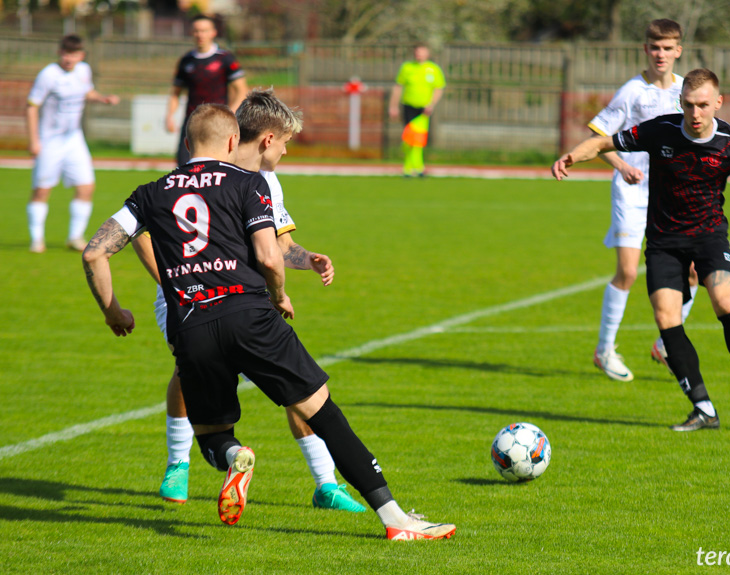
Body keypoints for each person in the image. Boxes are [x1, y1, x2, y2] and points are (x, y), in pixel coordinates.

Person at [82, 103, 456, 539]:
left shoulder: (151, 192)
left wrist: (114, 312)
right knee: (324, 413)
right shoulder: (249, 183)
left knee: (212, 436)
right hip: (248, 314)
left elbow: (94, 252)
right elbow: (267, 255)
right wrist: (278, 295)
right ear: (229, 141)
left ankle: (237, 454)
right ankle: (396, 520)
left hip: (191, 324)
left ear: (186, 144)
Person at [552, 68, 730, 431]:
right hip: (665, 242)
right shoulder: (660, 130)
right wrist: (573, 156)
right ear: (680, 102)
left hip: (709, 237)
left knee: (722, 299)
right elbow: (605, 142)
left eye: (703, 105)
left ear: (718, 103)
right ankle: (704, 409)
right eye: (688, 105)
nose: (695, 113)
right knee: (667, 319)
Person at [132, 88, 365, 513]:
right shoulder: (195, 172)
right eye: (288, 142)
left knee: (299, 386)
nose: (288, 153)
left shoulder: (265, 182)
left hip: (247, 300)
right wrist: (171, 283)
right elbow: (141, 234)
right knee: (191, 374)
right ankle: (178, 464)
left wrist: (306, 260)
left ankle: (326, 483)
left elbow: (277, 245)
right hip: (187, 299)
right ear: (268, 138)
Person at [585, 19, 699, 382]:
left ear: (678, 51)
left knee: (694, 273)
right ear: (645, 50)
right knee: (629, 272)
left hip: (673, 197)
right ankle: (605, 350)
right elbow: (598, 136)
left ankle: (665, 346)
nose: (661, 54)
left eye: (668, 48)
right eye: (654, 48)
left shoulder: (686, 90)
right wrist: (621, 165)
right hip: (633, 194)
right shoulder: (632, 91)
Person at [25, 34, 120, 254]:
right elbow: (31, 107)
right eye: (66, 53)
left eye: (74, 54)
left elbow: (87, 92)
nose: (69, 58)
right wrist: (34, 140)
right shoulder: (48, 75)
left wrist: (103, 98)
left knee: (86, 187)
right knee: (41, 190)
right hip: (49, 140)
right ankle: (36, 240)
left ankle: (75, 237)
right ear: (60, 52)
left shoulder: (83, 70)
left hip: (73, 139)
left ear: (81, 55)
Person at [166, 14, 248, 167]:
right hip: (192, 121)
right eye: (197, 31)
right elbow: (175, 94)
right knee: (184, 165)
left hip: (218, 122)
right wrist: (170, 116)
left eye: (204, 30)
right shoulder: (186, 61)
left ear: (213, 32)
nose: (200, 35)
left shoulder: (225, 58)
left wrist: (230, 114)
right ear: (192, 33)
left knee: (220, 166)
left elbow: (241, 90)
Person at [388, 43, 446, 177]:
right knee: (409, 139)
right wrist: (393, 106)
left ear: (428, 53)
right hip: (408, 106)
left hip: (424, 109)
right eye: (417, 51)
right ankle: (411, 168)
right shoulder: (407, 67)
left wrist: (431, 104)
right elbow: (398, 87)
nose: (419, 54)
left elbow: (439, 88)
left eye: (422, 51)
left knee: (418, 139)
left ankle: (416, 168)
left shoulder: (433, 69)